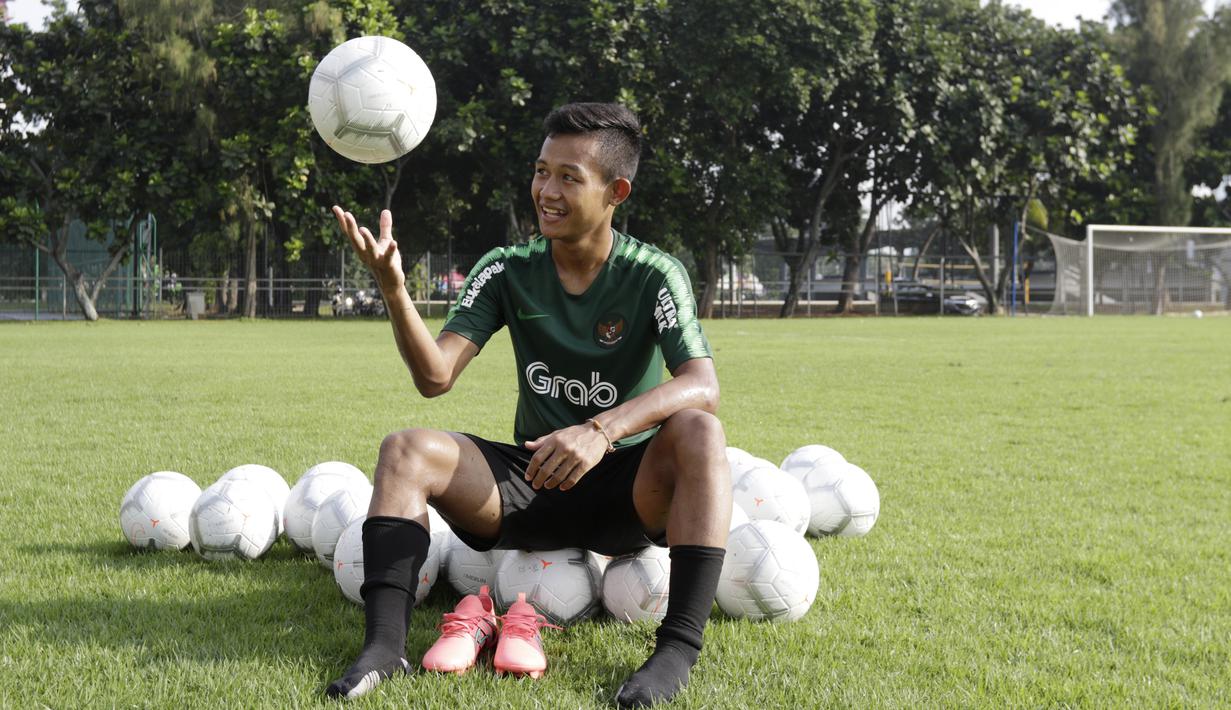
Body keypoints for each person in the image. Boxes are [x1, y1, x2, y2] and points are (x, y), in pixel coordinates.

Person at [325, 102, 730, 708]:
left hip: (626, 490)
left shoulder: (653, 274)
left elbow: (703, 383)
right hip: (530, 480)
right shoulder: (507, 269)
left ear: (616, 190)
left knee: (699, 430)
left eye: (570, 176)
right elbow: (435, 377)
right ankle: (385, 647)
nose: (547, 190)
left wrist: (601, 430)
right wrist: (393, 288)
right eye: (542, 171)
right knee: (405, 449)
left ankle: (676, 651)